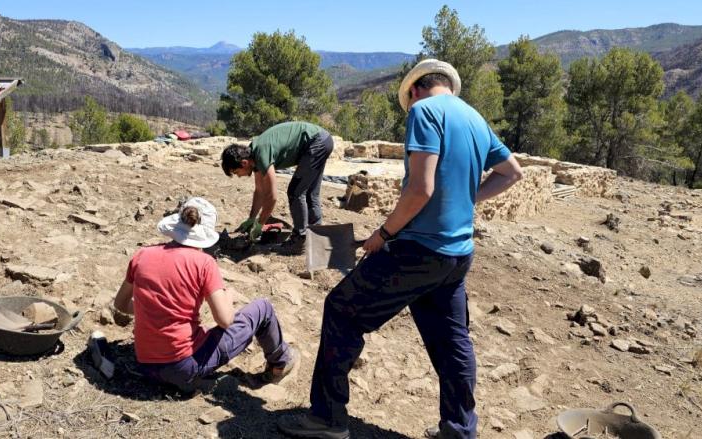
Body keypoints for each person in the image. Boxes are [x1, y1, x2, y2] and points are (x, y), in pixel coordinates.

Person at [277, 59, 524, 439]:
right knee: (452, 342)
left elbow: (420, 190)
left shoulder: (424, 112)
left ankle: (328, 419)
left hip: (417, 250)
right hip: (457, 253)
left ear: (413, 91)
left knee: (341, 311)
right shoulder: (474, 118)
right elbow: (512, 172)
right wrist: (467, 199)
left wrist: (384, 234)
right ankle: (459, 430)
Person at [112, 197, 298, 391]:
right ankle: (280, 364)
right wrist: (229, 295)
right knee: (263, 308)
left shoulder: (143, 255)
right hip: (184, 365)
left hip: (146, 365)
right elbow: (225, 320)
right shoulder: (204, 263)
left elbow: (120, 304)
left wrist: (152, 310)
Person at [221, 121, 334, 254]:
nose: (239, 176)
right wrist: (252, 218)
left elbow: (272, 197)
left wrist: (260, 224)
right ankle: (316, 234)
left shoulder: (261, 154)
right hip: (323, 139)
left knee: (295, 191)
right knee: (310, 193)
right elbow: (259, 191)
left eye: (236, 172)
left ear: (244, 163)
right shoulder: (254, 156)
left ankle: (299, 239)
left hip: (316, 142)